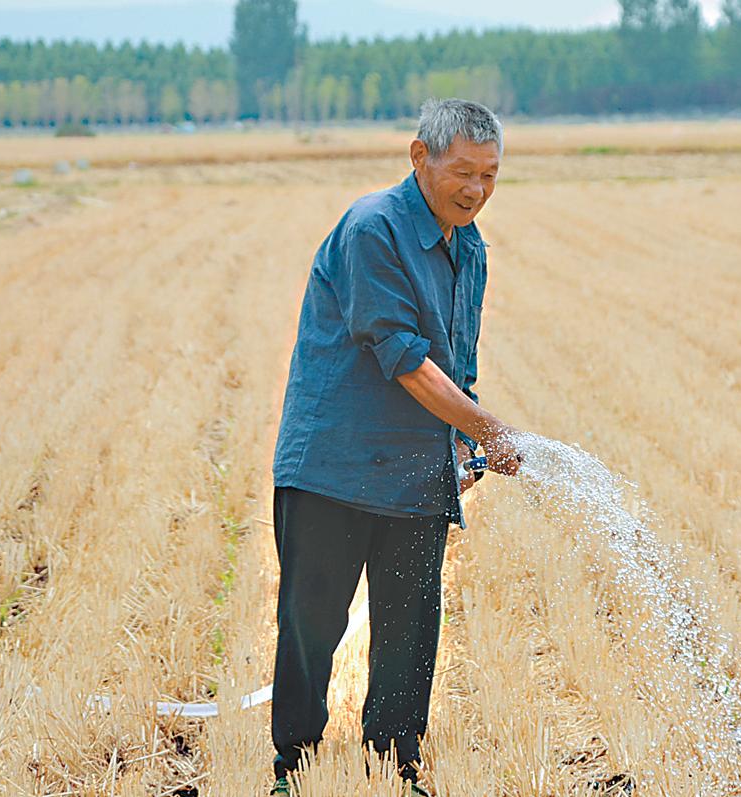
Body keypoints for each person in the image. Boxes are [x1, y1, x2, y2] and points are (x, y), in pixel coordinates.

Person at [267, 97, 523, 796]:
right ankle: (296, 768)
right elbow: (406, 358)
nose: (476, 190)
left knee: (410, 634)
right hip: (332, 465)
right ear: (420, 158)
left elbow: (455, 359)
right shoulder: (372, 229)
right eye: (463, 171)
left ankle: (396, 768)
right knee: (310, 627)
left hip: (412, 472)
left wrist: (462, 454)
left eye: (490, 175)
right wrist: (487, 431)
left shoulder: (469, 248)